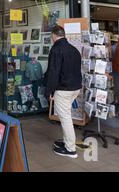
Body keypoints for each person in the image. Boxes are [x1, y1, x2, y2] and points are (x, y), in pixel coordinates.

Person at [45, 25, 82, 158]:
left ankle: (71, 149)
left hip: (63, 89)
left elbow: (53, 72)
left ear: (54, 35)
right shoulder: (74, 49)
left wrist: (49, 91)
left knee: (65, 118)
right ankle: (67, 142)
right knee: (67, 116)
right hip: (75, 88)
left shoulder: (56, 49)